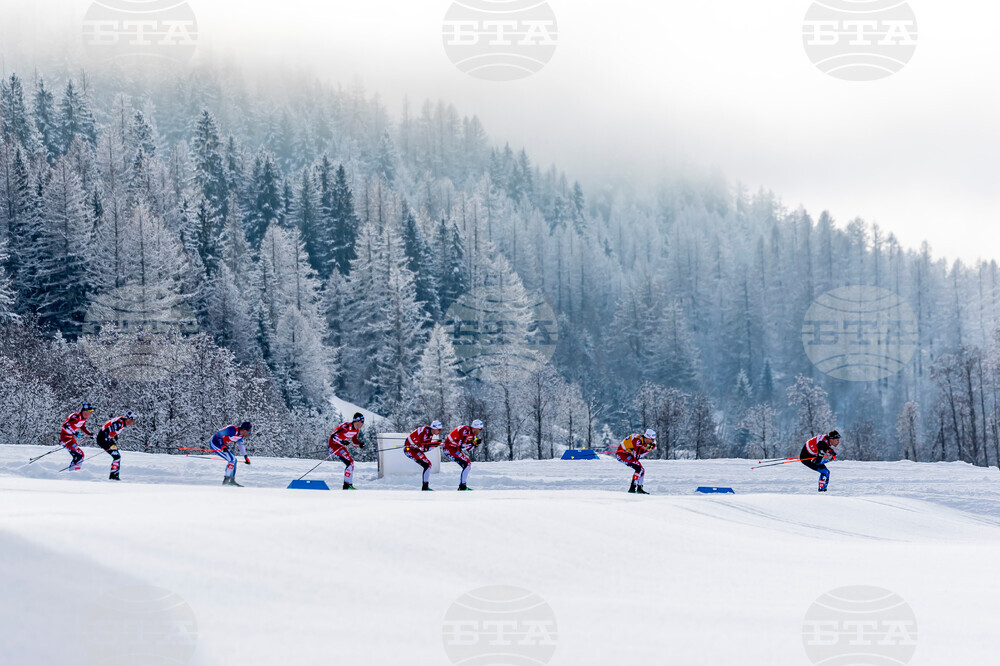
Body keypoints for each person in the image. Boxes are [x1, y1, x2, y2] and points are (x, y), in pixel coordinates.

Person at [443, 419, 483, 491]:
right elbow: (461, 446)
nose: (481, 431)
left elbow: (468, 449)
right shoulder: (465, 430)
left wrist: (475, 445)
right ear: (475, 427)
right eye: (480, 429)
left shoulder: (472, 435)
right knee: (467, 464)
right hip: (449, 448)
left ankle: (462, 486)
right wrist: (472, 444)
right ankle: (462, 486)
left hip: (455, 448)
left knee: (468, 464)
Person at [329, 412, 366, 490]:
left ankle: (348, 485)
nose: (363, 423)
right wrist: (342, 441)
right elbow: (333, 436)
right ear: (357, 421)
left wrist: (360, 444)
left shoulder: (356, 430)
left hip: (340, 446)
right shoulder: (346, 426)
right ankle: (347, 486)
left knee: (351, 463)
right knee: (350, 463)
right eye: (362, 421)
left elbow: (354, 440)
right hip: (333, 445)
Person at [405, 420, 444, 491]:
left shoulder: (428, 432)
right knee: (427, 465)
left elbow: (425, 447)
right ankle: (425, 487)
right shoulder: (426, 433)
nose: (440, 431)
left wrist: (436, 444)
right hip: (409, 450)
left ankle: (425, 486)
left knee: (428, 465)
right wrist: (436, 444)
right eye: (439, 429)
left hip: (414, 449)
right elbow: (425, 449)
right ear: (434, 428)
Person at [210, 421, 252, 487]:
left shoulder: (241, 435)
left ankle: (232, 481)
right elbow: (218, 434)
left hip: (223, 445)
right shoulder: (232, 430)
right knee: (231, 459)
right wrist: (222, 445)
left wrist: (245, 457)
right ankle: (226, 481)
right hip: (215, 443)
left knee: (234, 460)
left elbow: (241, 445)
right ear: (244, 430)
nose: (250, 433)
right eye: (249, 431)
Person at [616, 429, 657, 494]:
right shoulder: (637, 441)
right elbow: (637, 457)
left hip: (627, 453)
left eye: (654, 439)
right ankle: (632, 489)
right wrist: (648, 449)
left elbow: (641, 451)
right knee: (639, 469)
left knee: (642, 470)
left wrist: (646, 448)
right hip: (621, 454)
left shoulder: (643, 441)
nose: (653, 441)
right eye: (652, 439)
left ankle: (639, 489)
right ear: (647, 437)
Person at [97, 410, 135, 480]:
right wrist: (109, 443)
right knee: (117, 457)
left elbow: (110, 426)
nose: (134, 422)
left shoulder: (121, 421)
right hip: (103, 439)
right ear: (128, 419)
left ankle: (114, 475)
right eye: (133, 420)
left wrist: (115, 435)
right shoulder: (119, 424)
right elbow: (107, 430)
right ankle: (113, 476)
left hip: (106, 438)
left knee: (117, 456)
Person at [61, 402, 95, 471]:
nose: (91, 413)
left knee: (79, 455)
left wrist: (89, 434)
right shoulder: (76, 417)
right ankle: (73, 473)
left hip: (71, 439)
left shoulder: (83, 418)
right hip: (65, 439)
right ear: (85, 411)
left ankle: (74, 472)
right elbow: (65, 426)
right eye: (90, 411)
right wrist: (75, 433)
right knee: (79, 455)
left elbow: (82, 426)